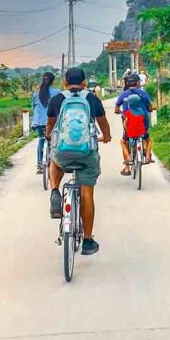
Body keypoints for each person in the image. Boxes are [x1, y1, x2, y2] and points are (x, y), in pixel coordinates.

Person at [46, 66, 111, 256]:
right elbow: (103, 121)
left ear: (65, 82)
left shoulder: (57, 99)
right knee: (87, 193)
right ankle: (88, 240)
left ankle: (55, 191)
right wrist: (106, 136)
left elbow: (50, 123)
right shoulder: (91, 98)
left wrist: (49, 135)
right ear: (84, 83)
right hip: (86, 153)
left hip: (63, 153)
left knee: (54, 159)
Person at [115, 73, 154, 171]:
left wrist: (120, 111)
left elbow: (116, 108)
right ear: (138, 83)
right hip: (143, 122)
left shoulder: (124, 94)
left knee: (126, 140)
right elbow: (149, 105)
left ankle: (127, 167)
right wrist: (149, 109)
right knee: (146, 136)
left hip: (128, 123)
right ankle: (147, 154)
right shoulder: (143, 93)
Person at [32, 71, 55, 173]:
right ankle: (56, 163)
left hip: (38, 123)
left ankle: (39, 164)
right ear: (52, 81)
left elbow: (34, 106)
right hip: (51, 122)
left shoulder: (36, 94)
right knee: (54, 141)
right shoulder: (57, 92)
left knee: (41, 140)